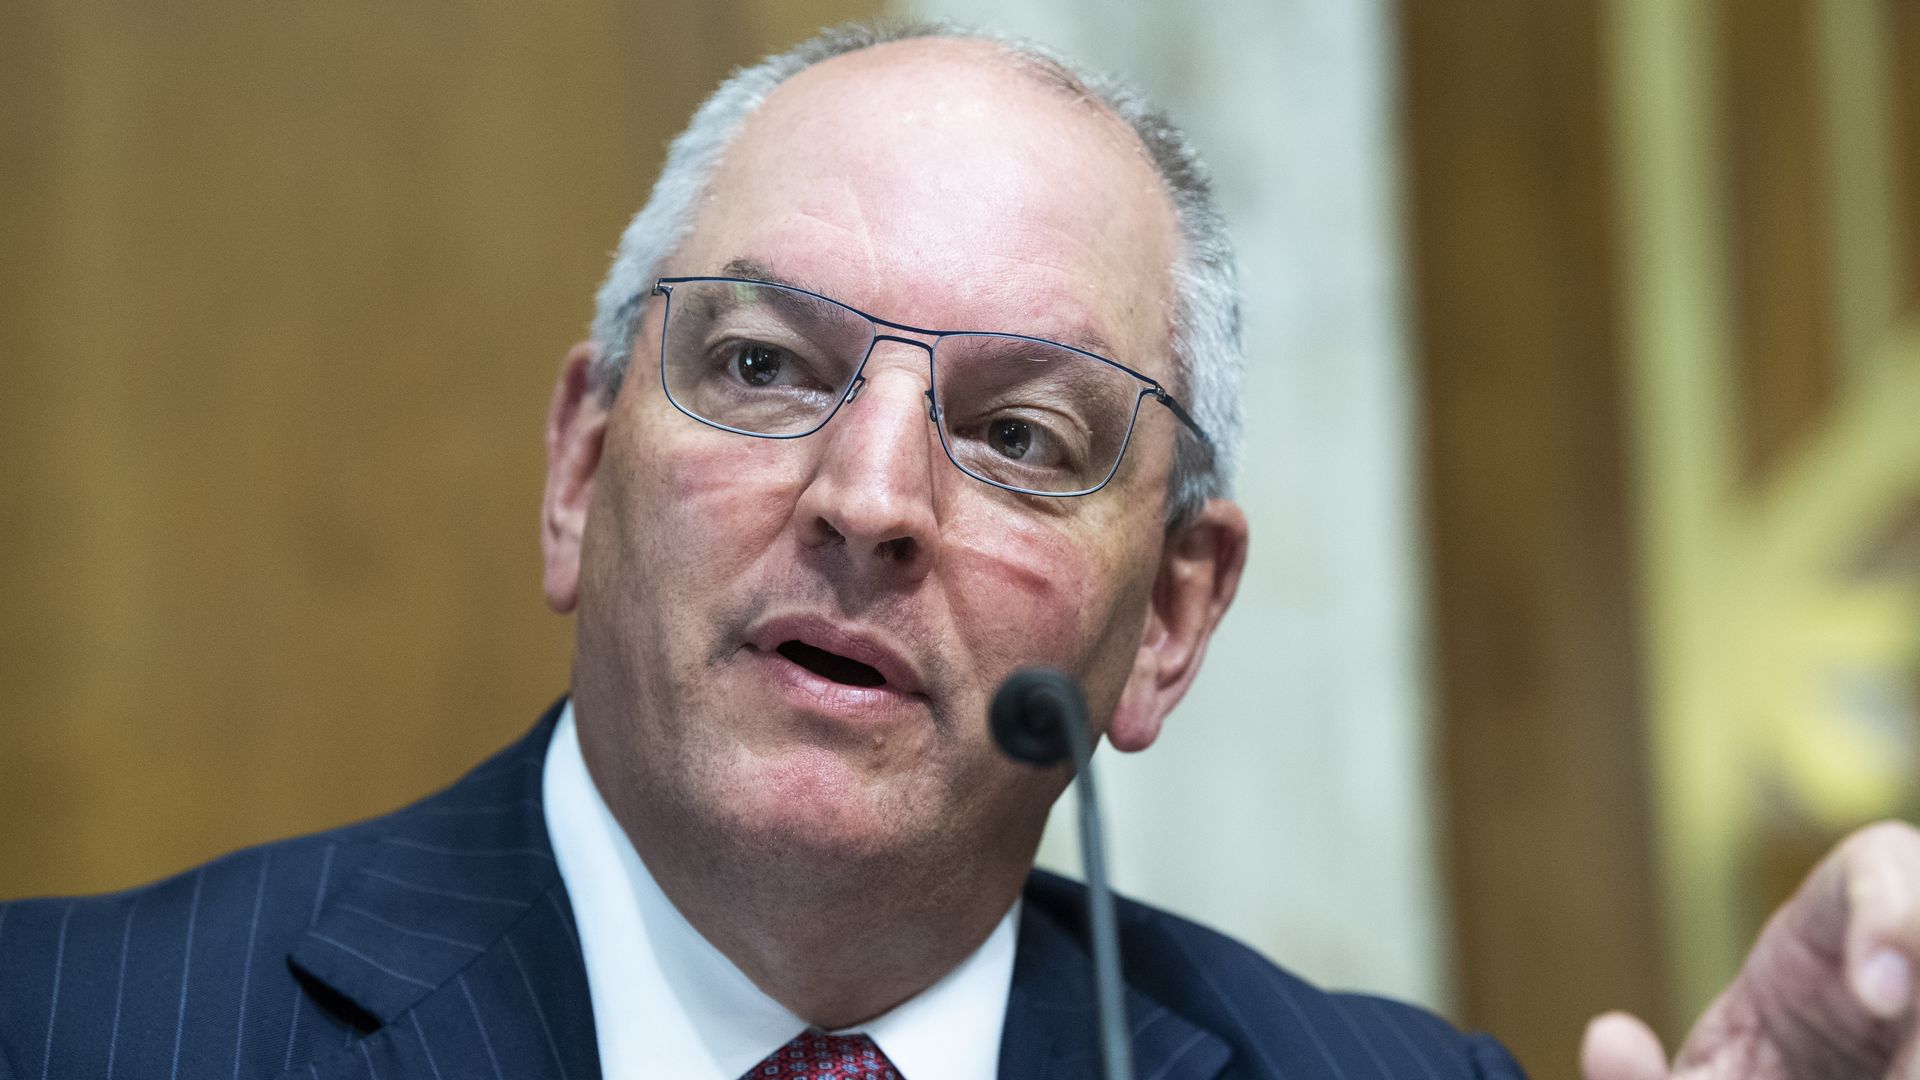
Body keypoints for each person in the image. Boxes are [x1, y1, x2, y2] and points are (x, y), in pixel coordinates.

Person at [1, 20, 1915, 1080]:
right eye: (762, 366)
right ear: (582, 466)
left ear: (1169, 619)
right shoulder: (73, 1037)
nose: (868, 500)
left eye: (1018, 434)